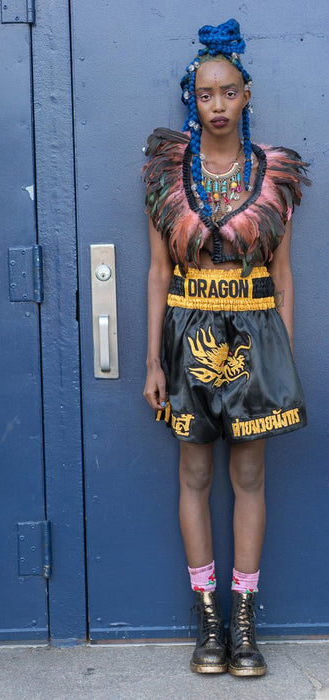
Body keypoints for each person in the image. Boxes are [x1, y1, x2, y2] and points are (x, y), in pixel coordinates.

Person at [142, 19, 309, 677]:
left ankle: (245, 622)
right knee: (193, 473)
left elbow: (285, 274)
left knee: (248, 476)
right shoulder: (166, 172)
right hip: (188, 332)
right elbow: (158, 272)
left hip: (255, 331)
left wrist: (283, 360)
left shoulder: (273, 174)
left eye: (228, 92)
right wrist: (154, 360)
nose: (217, 104)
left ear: (245, 96)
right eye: (206, 93)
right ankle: (208, 622)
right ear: (194, 96)